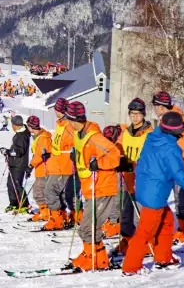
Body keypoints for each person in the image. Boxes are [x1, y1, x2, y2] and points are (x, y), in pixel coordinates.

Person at [122, 111, 184, 275]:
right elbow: (179, 175)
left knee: (166, 221)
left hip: (144, 187)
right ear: (174, 131)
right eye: (180, 130)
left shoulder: (152, 138)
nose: (182, 132)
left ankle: (163, 257)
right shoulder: (171, 148)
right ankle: (131, 267)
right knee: (145, 232)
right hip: (155, 194)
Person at [65, 101, 120, 272]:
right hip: (90, 188)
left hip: (103, 188)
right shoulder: (79, 135)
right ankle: (90, 254)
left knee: (89, 227)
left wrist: (99, 163)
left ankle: (99, 259)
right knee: (86, 227)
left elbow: (115, 155)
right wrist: (76, 156)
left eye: (68, 118)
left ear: (73, 119)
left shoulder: (94, 137)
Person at [151, 91, 184, 242]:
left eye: (155, 106)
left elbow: (180, 146)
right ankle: (183, 229)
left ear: (161, 106)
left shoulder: (178, 120)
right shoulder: (166, 120)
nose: (154, 109)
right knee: (179, 202)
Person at [114, 98, 154, 256]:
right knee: (125, 212)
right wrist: (119, 159)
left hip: (142, 179)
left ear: (143, 115)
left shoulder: (149, 134)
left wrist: (136, 165)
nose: (135, 117)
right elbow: (118, 148)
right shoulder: (126, 132)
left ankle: (144, 242)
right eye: (132, 114)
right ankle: (127, 239)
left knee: (140, 213)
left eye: (138, 114)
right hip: (127, 177)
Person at [42, 98, 76, 230]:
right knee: (60, 193)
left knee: (50, 191)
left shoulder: (68, 126)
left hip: (64, 166)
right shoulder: (61, 125)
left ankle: (57, 219)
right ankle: (62, 216)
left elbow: (76, 142)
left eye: (56, 109)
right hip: (57, 164)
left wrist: (74, 153)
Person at [1, 115, 30, 213]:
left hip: (19, 164)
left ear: (15, 125)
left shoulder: (22, 135)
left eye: (12, 124)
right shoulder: (20, 133)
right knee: (10, 184)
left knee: (17, 184)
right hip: (14, 164)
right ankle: (13, 203)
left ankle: (24, 204)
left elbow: (19, 151)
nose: (12, 126)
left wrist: (8, 152)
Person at [26, 116, 51, 222]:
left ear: (31, 126)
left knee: (38, 192)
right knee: (40, 191)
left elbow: (40, 155)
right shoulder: (40, 136)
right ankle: (44, 211)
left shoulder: (43, 138)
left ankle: (45, 213)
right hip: (41, 169)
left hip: (44, 169)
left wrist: (31, 165)